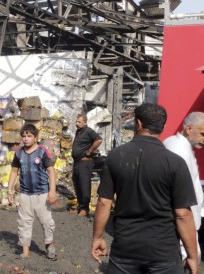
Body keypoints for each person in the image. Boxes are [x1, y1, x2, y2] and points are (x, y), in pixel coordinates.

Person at [91, 103, 199, 273]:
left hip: (125, 249)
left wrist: (97, 237)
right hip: (164, 253)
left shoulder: (115, 157)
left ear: (138, 124)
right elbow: (183, 214)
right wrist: (193, 256)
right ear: (162, 127)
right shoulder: (175, 163)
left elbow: (104, 202)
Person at [7, 123, 58, 260]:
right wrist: (9, 190)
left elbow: (51, 172)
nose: (26, 139)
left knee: (46, 221)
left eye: (29, 136)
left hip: (42, 193)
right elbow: (14, 171)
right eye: (23, 136)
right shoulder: (18, 153)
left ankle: (50, 245)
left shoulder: (42, 152)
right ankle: (25, 251)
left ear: (36, 138)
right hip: (25, 193)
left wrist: (52, 191)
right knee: (24, 221)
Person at [164, 111, 204, 261]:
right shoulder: (179, 150)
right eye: (202, 134)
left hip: (184, 221)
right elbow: (179, 193)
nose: (203, 139)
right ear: (189, 129)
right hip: (182, 222)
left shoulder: (175, 144)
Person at [71, 113, 102, 217]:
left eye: (79, 122)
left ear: (85, 122)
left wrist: (90, 151)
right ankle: (80, 207)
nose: (77, 123)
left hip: (85, 162)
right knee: (77, 184)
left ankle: (85, 208)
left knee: (84, 185)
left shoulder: (88, 131)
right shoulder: (78, 132)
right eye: (76, 121)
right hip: (77, 162)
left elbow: (99, 140)